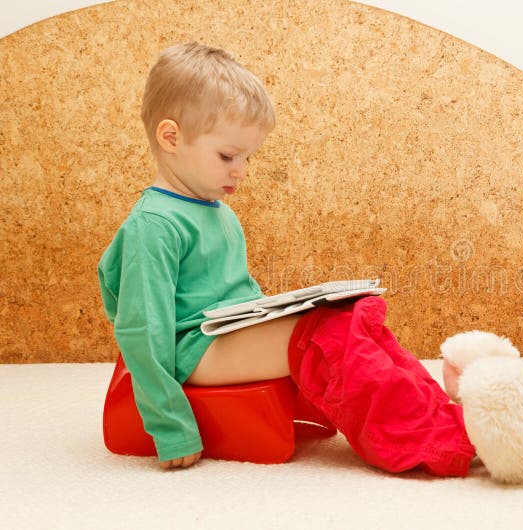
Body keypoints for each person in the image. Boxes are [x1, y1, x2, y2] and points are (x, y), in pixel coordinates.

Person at [98, 42, 474, 474]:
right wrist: (170, 425)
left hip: (223, 333)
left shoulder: (216, 210)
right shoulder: (156, 224)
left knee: (355, 319)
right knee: (325, 337)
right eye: (227, 156)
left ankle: (445, 417)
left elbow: (235, 294)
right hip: (194, 351)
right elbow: (141, 330)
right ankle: (432, 442)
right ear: (171, 138)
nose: (240, 170)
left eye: (246, 158)